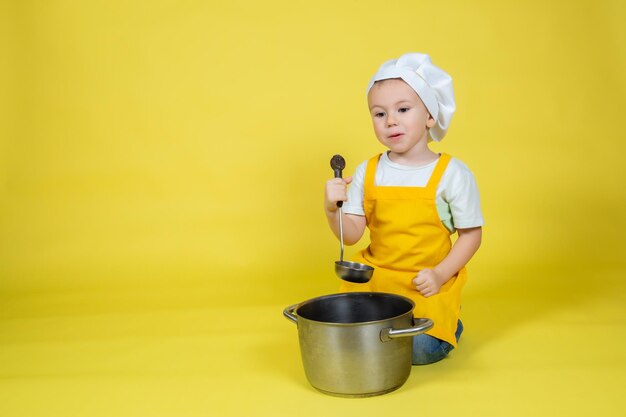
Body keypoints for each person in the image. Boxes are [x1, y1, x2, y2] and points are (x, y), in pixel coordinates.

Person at [324, 53, 484, 365]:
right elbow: (353, 234)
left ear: (430, 116)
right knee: (345, 337)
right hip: (378, 283)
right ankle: (380, 329)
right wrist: (332, 209)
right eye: (379, 113)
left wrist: (439, 275)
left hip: (427, 285)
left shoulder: (452, 174)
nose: (391, 121)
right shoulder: (368, 171)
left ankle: (449, 322)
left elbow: (471, 235)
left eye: (403, 109)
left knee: (418, 350)